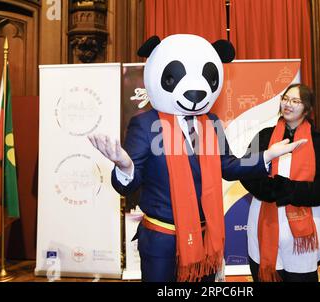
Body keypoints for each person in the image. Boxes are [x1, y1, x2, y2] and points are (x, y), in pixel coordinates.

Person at [88, 34, 307, 282]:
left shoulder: (211, 123)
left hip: (205, 238)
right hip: (162, 241)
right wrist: (125, 166)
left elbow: (228, 165)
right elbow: (128, 184)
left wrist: (267, 155)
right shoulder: (145, 124)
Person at [241, 84, 320, 282]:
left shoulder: (319, 142)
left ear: (307, 108)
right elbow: (247, 172)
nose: (288, 104)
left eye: (296, 101)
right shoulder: (265, 136)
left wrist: (290, 190)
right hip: (265, 217)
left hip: (305, 229)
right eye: (286, 99)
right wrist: (274, 191)